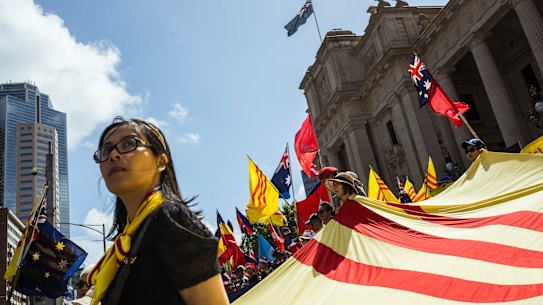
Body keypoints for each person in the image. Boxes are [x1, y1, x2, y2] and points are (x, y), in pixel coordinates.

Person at [86, 117, 228, 305]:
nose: (113, 155)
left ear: (161, 162)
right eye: (106, 150)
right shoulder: (124, 244)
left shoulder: (171, 219)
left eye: (129, 144)